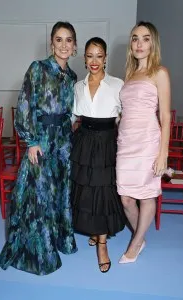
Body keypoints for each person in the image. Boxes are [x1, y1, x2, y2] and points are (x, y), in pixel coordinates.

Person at [0, 21, 78, 275]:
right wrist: (30, 141)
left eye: (68, 40)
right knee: (39, 195)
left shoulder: (73, 76)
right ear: (51, 43)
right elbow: (24, 105)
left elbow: (69, 112)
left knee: (58, 192)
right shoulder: (38, 69)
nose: (63, 45)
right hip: (41, 141)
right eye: (59, 39)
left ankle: (59, 239)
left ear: (74, 46)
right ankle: (40, 252)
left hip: (63, 143)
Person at [116, 21, 171, 263]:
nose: (139, 43)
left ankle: (136, 243)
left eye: (145, 38)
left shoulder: (160, 72)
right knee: (126, 198)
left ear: (153, 43)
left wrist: (163, 154)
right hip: (126, 142)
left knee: (146, 195)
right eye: (135, 38)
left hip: (148, 141)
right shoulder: (129, 74)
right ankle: (140, 236)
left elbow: (166, 116)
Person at [71, 37, 126, 273]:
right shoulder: (77, 87)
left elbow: (125, 118)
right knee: (86, 190)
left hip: (106, 143)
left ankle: (102, 244)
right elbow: (73, 118)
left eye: (99, 55)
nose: (95, 61)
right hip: (83, 141)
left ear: (105, 58)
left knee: (104, 191)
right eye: (90, 55)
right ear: (84, 58)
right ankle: (94, 229)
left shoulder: (118, 85)